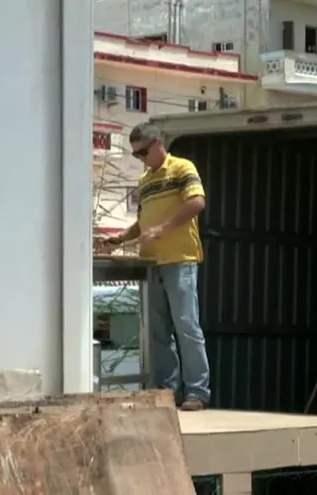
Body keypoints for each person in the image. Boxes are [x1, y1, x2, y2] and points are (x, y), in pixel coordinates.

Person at [99, 122, 210, 411]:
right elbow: (143, 221)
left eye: (143, 152)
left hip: (179, 259)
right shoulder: (145, 181)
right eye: (136, 155)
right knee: (158, 331)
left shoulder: (182, 168)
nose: (141, 159)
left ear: (159, 143)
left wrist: (163, 228)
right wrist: (121, 238)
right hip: (151, 263)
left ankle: (198, 392)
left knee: (186, 326)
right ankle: (166, 392)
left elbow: (197, 202)